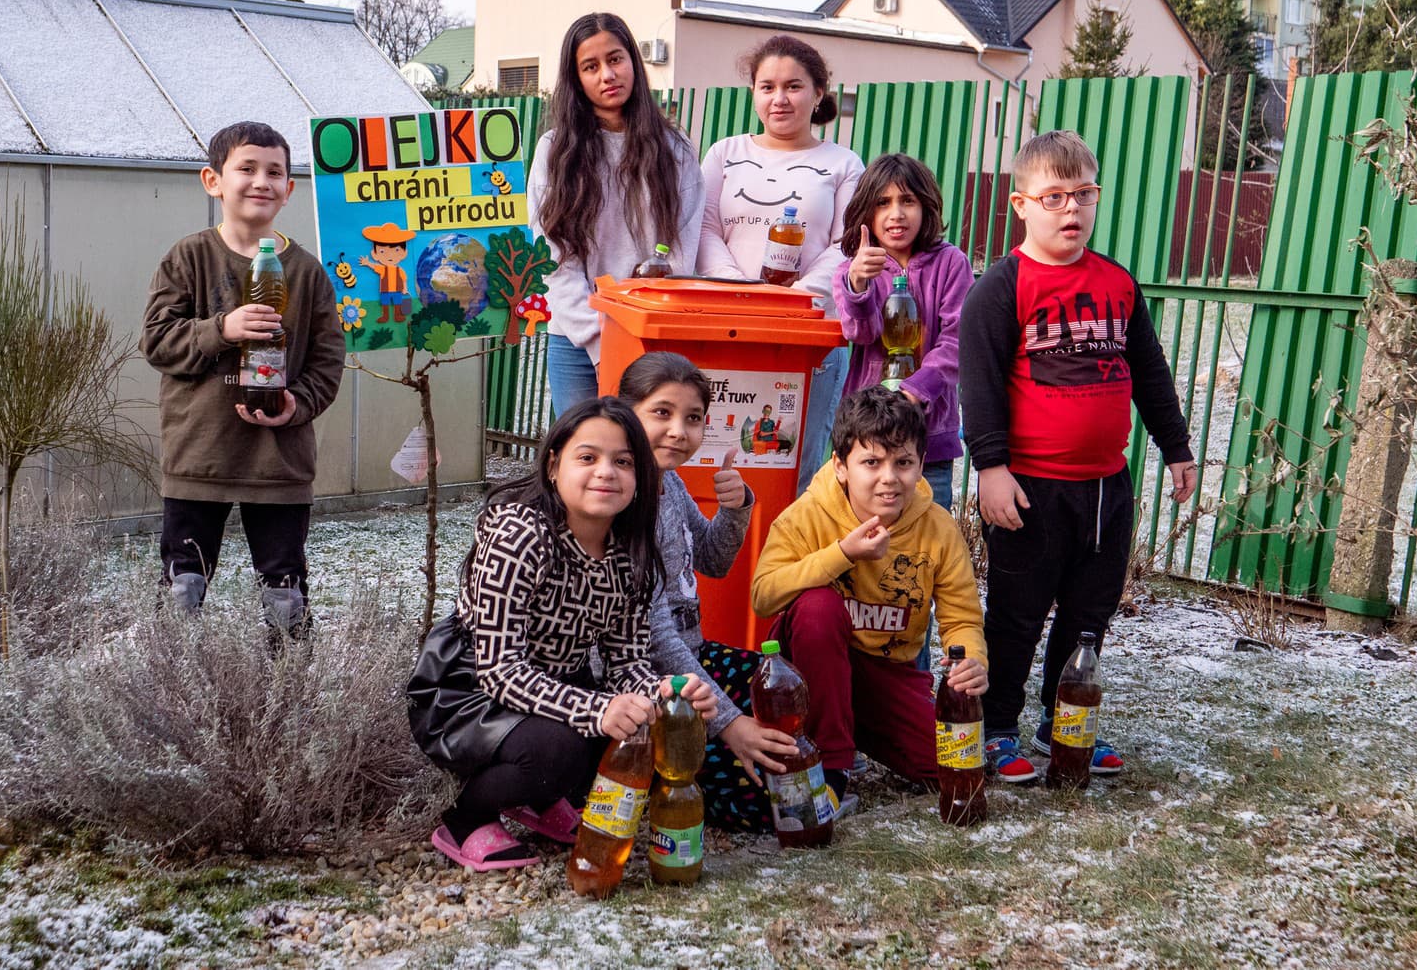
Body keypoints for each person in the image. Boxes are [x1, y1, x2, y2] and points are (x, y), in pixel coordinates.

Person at [959, 130, 1197, 784]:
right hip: (1030, 487)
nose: (1071, 209)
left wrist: (1175, 447)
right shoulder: (1000, 288)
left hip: (1105, 488)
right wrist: (991, 469)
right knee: (1017, 614)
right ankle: (998, 727)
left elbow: (1149, 372)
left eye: (1083, 194)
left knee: (1090, 616)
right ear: (1020, 204)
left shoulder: (1117, 283)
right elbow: (977, 385)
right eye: (1055, 196)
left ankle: (1065, 724)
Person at [408, 398, 717, 871]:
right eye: (588, 457)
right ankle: (464, 820)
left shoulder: (629, 555)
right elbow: (499, 670)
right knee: (561, 749)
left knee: (637, 730)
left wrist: (666, 695)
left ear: (640, 480)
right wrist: (599, 709)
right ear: (554, 465)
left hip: (552, 688)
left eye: (623, 462)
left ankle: (538, 801)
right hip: (465, 691)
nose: (606, 473)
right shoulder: (519, 534)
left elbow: (626, 662)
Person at [141, 121, 345, 637]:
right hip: (199, 458)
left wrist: (296, 405)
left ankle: (286, 700)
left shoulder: (308, 272)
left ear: (289, 188)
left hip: (278, 466)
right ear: (213, 180)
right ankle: (175, 697)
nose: (261, 181)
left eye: (274, 172)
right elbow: (157, 342)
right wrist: (222, 328)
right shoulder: (188, 258)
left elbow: (327, 363)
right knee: (183, 592)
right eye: (247, 168)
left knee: (286, 597)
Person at [750, 386, 989, 800]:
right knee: (818, 606)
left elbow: (962, 618)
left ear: (920, 465)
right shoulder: (808, 514)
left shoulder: (938, 528)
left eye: (903, 463)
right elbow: (764, 595)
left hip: (887, 674)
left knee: (956, 768)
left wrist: (970, 660)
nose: (889, 478)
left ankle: (852, 724)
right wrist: (842, 554)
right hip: (812, 668)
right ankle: (833, 769)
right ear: (841, 466)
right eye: (871, 462)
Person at [618, 351, 798, 831]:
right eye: (662, 412)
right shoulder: (623, 502)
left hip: (693, 654)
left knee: (783, 688)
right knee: (754, 793)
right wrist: (730, 724)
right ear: (623, 412)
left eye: (693, 418)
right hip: (652, 677)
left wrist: (736, 507)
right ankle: (672, 783)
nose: (679, 430)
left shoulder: (669, 483)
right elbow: (656, 640)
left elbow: (713, 559)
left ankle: (794, 781)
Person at [696, 34, 864, 495]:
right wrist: (744, 292)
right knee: (719, 457)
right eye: (766, 87)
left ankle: (788, 564)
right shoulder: (724, 154)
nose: (779, 98)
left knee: (793, 469)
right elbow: (704, 230)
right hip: (730, 327)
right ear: (753, 93)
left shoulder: (843, 162)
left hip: (810, 336)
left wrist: (795, 298)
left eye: (793, 86)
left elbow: (847, 242)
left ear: (818, 93)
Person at [529, 13, 704, 419]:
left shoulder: (674, 148)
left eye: (616, 59)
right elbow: (550, 254)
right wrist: (598, 336)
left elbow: (682, 247)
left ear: (634, 63)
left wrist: (636, 330)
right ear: (577, 79)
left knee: (647, 460)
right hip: (575, 338)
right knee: (582, 461)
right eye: (591, 67)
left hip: (650, 336)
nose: (607, 74)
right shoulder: (555, 150)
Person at [832, 154, 972, 512]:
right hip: (866, 432)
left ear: (926, 207)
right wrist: (858, 285)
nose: (896, 214)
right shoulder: (851, 270)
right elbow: (860, 333)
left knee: (926, 538)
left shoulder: (951, 263)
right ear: (867, 212)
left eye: (907, 201)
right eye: (883, 203)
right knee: (862, 534)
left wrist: (917, 392)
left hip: (929, 437)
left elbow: (958, 341)